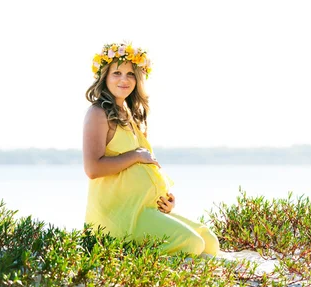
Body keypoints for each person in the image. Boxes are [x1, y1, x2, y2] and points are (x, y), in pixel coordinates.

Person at [82, 41, 219, 256]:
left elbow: (145, 166)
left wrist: (163, 198)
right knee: (192, 243)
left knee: (209, 239)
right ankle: (128, 258)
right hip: (119, 215)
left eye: (130, 74)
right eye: (117, 73)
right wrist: (135, 155)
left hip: (144, 209)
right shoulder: (98, 113)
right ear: (104, 77)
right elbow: (93, 168)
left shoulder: (131, 115)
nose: (124, 80)